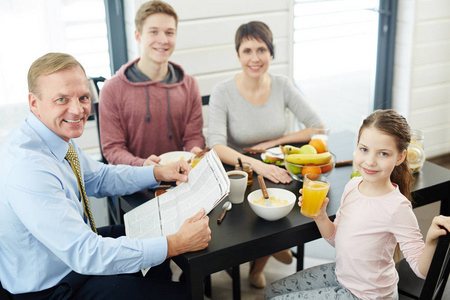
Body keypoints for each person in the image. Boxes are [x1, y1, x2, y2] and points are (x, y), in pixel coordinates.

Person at [0, 52, 211, 300]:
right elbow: (86, 253)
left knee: (155, 240)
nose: (78, 110)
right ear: (34, 102)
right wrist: (175, 244)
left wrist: (157, 171)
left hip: (71, 256)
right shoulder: (30, 168)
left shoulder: (53, 137)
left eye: (83, 97)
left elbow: (98, 178)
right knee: (184, 295)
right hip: (53, 287)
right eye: (61, 99)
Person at [265, 109, 450, 300]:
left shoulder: (397, 208)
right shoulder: (353, 186)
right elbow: (338, 239)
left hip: (367, 296)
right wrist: (320, 216)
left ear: (401, 157)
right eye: (364, 149)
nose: (370, 161)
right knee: (271, 292)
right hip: (343, 277)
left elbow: (423, 271)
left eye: (383, 154)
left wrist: (430, 241)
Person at [207, 21, 325, 288]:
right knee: (263, 209)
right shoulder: (222, 91)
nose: (255, 58)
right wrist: (255, 164)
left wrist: (275, 141)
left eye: (262, 49)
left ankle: (262, 258)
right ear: (238, 55)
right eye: (247, 50)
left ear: (271, 53)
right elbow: (216, 145)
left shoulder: (281, 84)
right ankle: (270, 249)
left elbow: (317, 127)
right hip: (241, 171)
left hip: (275, 164)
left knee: (286, 204)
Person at [99, 0, 205, 167]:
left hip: (181, 180)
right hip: (134, 185)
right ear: (138, 36)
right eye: (154, 32)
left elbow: (194, 137)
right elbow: (113, 149)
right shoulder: (112, 89)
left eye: (169, 32)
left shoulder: (190, 85)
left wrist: (195, 151)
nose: (163, 40)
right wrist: (145, 167)